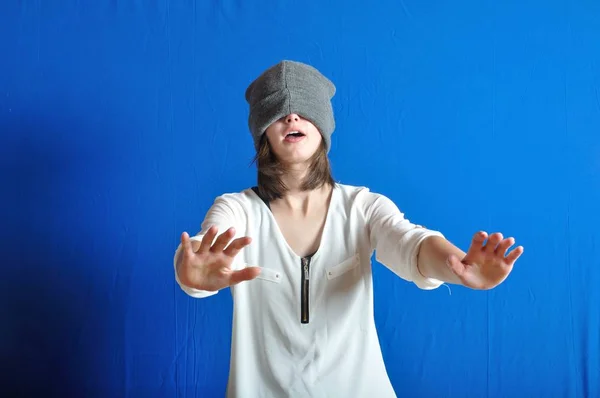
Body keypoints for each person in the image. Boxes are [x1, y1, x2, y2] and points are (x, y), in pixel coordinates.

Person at [173, 60, 524, 397]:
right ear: (262, 131)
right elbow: (204, 249)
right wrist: (191, 275)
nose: (292, 116)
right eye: (278, 111)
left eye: (303, 108)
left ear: (324, 126)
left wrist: (460, 267)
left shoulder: (363, 207)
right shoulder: (237, 209)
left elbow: (410, 244)